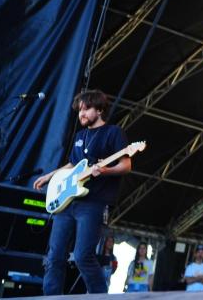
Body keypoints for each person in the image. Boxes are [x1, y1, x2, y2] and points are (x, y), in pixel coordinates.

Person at [34, 90, 131, 295]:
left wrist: (105, 170)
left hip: (93, 203)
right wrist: (50, 176)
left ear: (100, 109)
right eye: (80, 110)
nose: (81, 114)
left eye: (86, 109)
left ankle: (98, 297)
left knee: (82, 256)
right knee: (54, 256)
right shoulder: (80, 136)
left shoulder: (114, 133)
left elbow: (126, 165)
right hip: (68, 202)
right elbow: (73, 164)